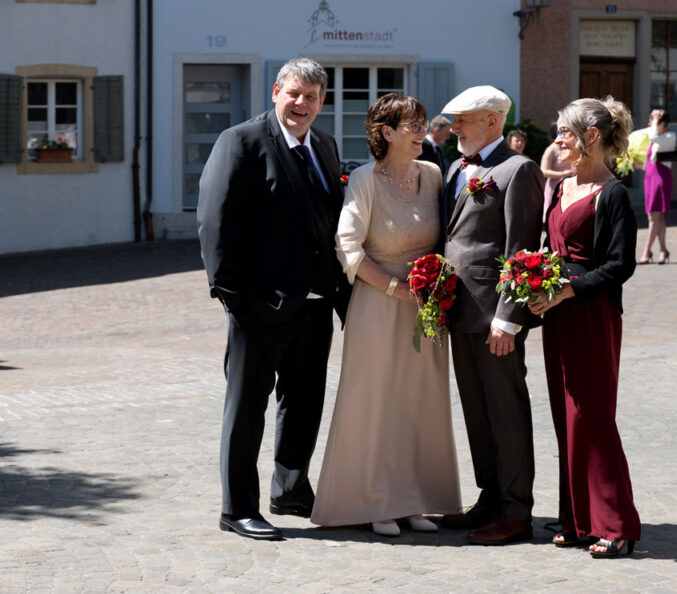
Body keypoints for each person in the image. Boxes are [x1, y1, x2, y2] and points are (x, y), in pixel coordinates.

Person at [197, 57, 351, 541]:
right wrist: (233, 297)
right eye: (294, 93)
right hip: (258, 305)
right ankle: (237, 507)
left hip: (315, 303)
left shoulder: (324, 146)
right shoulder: (240, 141)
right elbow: (215, 223)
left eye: (312, 96)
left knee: (304, 402)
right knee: (247, 407)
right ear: (275, 92)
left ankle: (290, 489)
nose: (302, 104)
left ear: (322, 102)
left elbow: (328, 221)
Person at [310, 93, 461, 537]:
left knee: (418, 405)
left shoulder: (433, 174)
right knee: (376, 404)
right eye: (412, 125)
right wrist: (398, 289)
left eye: (422, 123)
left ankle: (411, 500)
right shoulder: (365, 180)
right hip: (379, 305)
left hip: (425, 312)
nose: (422, 131)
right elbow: (349, 250)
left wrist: (435, 287)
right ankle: (374, 500)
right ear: (387, 133)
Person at [528, 96, 641, 559]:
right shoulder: (560, 187)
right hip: (557, 315)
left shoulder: (612, 194)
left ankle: (616, 524)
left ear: (590, 137)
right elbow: (548, 248)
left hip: (591, 315)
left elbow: (620, 266)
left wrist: (570, 290)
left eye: (565, 132)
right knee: (565, 417)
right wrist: (532, 278)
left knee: (592, 417)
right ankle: (577, 521)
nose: (557, 140)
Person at [440, 85, 545, 545]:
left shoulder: (517, 169)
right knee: (476, 412)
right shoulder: (457, 169)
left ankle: (517, 510)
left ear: (493, 120)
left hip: (494, 318)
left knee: (505, 411)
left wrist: (509, 317)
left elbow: (520, 250)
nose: (455, 127)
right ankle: (489, 498)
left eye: (463, 118)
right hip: (459, 312)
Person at [639, 111, 675, 264]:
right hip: (650, 177)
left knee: (654, 218)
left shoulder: (669, 136)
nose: (650, 125)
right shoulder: (656, 140)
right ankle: (663, 250)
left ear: (662, 124)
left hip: (661, 178)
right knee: (656, 217)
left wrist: (655, 119)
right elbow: (649, 161)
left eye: (653, 122)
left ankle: (646, 251)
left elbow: (653, 136)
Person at [541, 122, 576, 219]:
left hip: (569, 184)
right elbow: (544, 171)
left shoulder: (569, 147)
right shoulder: (551, 150)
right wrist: (564, 173)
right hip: (554, 186)